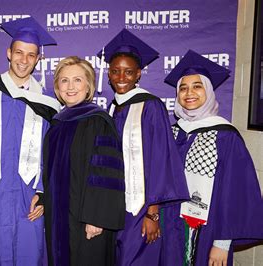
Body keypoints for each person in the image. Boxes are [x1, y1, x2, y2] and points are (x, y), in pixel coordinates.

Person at [162, 50, 263, 266]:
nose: (189, 93)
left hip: (207, 232)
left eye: (197, 86)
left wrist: (223, 243)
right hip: (168, 231)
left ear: (208, 91)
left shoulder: (225, 136)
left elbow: (235, 192)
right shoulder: (171, 133)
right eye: (183, 88)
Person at [99, 29, 189, 265]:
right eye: (115, 71)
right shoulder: (112, 108)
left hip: (140, 210)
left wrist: (152, 213)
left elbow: (160, 161)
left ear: (138, 74)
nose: (121, 77)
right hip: (114, 207)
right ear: (108, 74)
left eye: (128, 72)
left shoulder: (151, 106)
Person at [0, 17, 61, 265]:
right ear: (8, 53)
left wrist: (44, 192)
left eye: (31, 55)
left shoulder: (47, 104)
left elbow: (52, 154)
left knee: (29, 254)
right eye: (19, 53)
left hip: (29, 196)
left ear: (38, 59)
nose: (24, 60)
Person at [42, 56, 126, 266]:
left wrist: (96, 218)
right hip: (59, 216)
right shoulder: (57, 124)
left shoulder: (98, 121)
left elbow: (106, 174)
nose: (70, 87)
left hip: (87, 219)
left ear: (89, 85)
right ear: (57, 86)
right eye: (64, 80)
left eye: (77, 80)